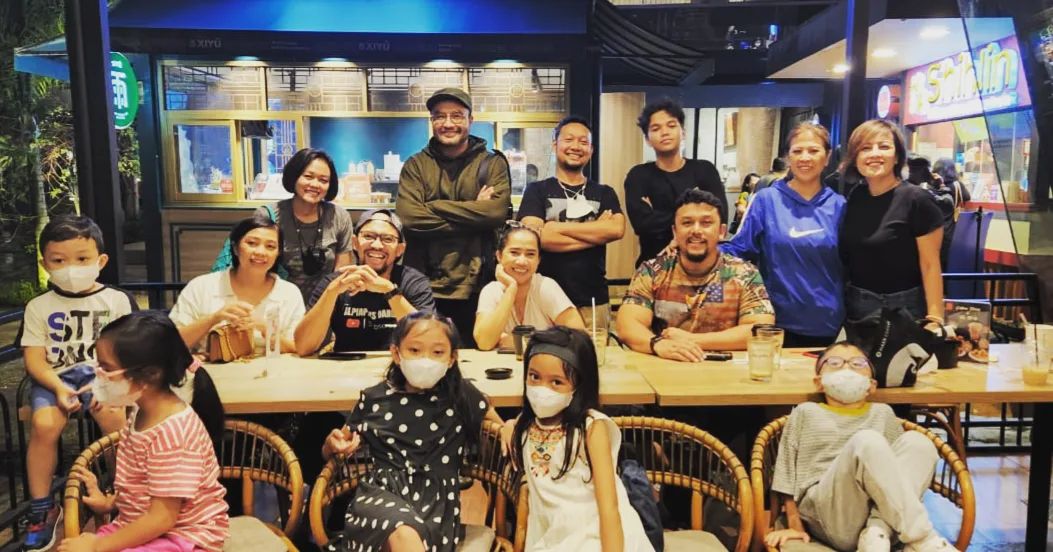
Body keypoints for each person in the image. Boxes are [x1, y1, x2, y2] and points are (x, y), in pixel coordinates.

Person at [320, 312, 504, 552]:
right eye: (415, 350)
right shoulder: (374, 398)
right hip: (380, 495)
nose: (425, 360)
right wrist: (332, 443)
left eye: (437, 352)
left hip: (436, 504)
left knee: (409, 534)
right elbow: (332, 451)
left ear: (452, 358)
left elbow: (498, 425)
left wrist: (509, 427)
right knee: (403, 530)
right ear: (396, 354)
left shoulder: (461, 395)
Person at [58, 311, 229, 552]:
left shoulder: (173, 433)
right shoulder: (141, 411)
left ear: (149, 374)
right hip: (145, 527)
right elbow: (143, 483)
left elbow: (163, 517)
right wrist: (110, 503)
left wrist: (98, 546)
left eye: (106, 368)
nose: (97, 375)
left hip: (184, 537)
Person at [18, 215, 137, 551]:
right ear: (45, 263)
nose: (71, 268)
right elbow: (34, 359)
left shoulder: (117, 300)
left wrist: (108, 382)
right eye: (59, 260)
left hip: (105, 373)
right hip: (54, 377)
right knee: (43, 425)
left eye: (82, 259)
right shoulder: (38, 306)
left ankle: (124, 497)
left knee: (114, 419)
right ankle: (42, 508)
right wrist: (58, 388)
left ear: (101, 260)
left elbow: (131, 350)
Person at [765, 341, 954, 552]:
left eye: (858, 363)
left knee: (919, 443)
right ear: (819, 382)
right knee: (867, 441)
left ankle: (876, 532)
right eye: (835, 363)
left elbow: (901, 476)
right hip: (827, 511)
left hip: (877, 519)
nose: (847, 368)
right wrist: (794, 525)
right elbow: (785, 475)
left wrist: (879, 524)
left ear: (871, 385)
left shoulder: (883, 413)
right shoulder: (806, 412)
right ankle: (921, 536)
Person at [503, 327, 654, 551]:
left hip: (597, 538)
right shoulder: (526, 424)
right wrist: (507, 425)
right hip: (553, 538)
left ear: (579, 386)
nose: (542, 390)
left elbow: (609, 508)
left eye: (556, 382)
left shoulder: (592, 429)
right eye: (534, 377)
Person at [396, 87, 511, 348]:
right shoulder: (416, 165)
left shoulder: (492, 164)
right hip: (424, 285)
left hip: (478, 285)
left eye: (457, 115)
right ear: (432, 121)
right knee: (426, 353)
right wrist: (474, 212)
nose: (448, 123)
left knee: (477, 358)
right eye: (440, 116)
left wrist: (434, 206)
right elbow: (410, 219)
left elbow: (495, 213)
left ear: (471, 120)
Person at [722, 123, 846, 347]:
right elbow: (739, 249)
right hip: (774, 321)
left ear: (827, 157)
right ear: (788, 157)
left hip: (827, 323)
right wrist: (695, 247)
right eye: (797, 151)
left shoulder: (839, 206)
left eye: (813, 150)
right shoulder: (766, 200)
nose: (805, 157)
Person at [616, 189, 775, 360]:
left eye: (706, 223)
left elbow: (760, 329)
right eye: (687, 223)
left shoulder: (745, 274)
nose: (696, 230)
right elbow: (627, 324)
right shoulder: (653, 270)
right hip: (666, 366)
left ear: (721, 231)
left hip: (725, 370)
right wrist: (658, 344)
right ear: (675, 232)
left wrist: (691, 340)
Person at [517, 116, 625, 330]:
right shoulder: (536, 190)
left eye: (583, 142)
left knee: (595, 352)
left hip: (593, 300)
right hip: (544, 299)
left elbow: (616, 229)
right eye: (568, 140)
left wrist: (555, 227)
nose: (576, 146)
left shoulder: (604, 193)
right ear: (555, 145)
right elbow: (536, 239)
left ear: (591, 150)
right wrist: (596, 233)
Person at [839, 120, 945, 324]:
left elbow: (931, 265)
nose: (874, 154)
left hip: (904, 309)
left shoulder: (917, 199)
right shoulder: (856, 196)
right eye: (865, 148)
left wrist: (935, 319)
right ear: (856, 158)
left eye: (884, 146)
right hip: (857, 307)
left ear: (897, 156)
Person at [295, 209, 435, 355]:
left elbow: (429, 339)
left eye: (387, 239)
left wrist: (389, 291)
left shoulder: (413, 282)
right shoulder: (335, 283)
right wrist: (331, 293)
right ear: (355, 243)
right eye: (368, 236)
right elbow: (304, 347)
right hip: (346, 365)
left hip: (400, 364)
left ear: (400, 249)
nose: (377, 245)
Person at [170, 214, 306, 354]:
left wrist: (265, 329)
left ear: (278, 253)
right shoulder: (201, 287)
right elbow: (171, 344)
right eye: (252, 243)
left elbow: (298, 347)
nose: (260, 252)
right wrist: (214, 318)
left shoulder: (289, 293)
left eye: (270, 246)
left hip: (272, 368)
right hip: (212, 367)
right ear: (235, 248)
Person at [624, 98, 726, 267]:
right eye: (656, 128)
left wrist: (660, 216)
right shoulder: (638, 176)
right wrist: (692, 216)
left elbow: (719, 217)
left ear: (683, 132)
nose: (664, 132)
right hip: (654, 266)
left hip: (703, 266)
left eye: (671, 126)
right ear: (647, 139)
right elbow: (643, 226)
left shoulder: (704, 170)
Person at [257, 148, 354, 301]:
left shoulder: (339, 216)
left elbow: (341, 273)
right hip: (278, 304)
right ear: (294, 176)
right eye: (308, 177)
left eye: (323, 180)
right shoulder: (269, 216)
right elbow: (257, 269)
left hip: (325, 304)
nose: (315, 184)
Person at [474, 226, 585, 351]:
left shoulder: (546, 286)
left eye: (530, 254)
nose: (522, 261)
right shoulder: (491, 291)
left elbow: (579, 339)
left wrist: (519, 342)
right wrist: (511, 290)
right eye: (514, 253)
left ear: (538, 260)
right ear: (499, 256)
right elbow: (484, 342)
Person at [932, 158, 971, 267]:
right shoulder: (956, 185)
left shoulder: (931, 185)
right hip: (949, 231)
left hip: (931, 230)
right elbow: (967, 197)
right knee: (947, 264)